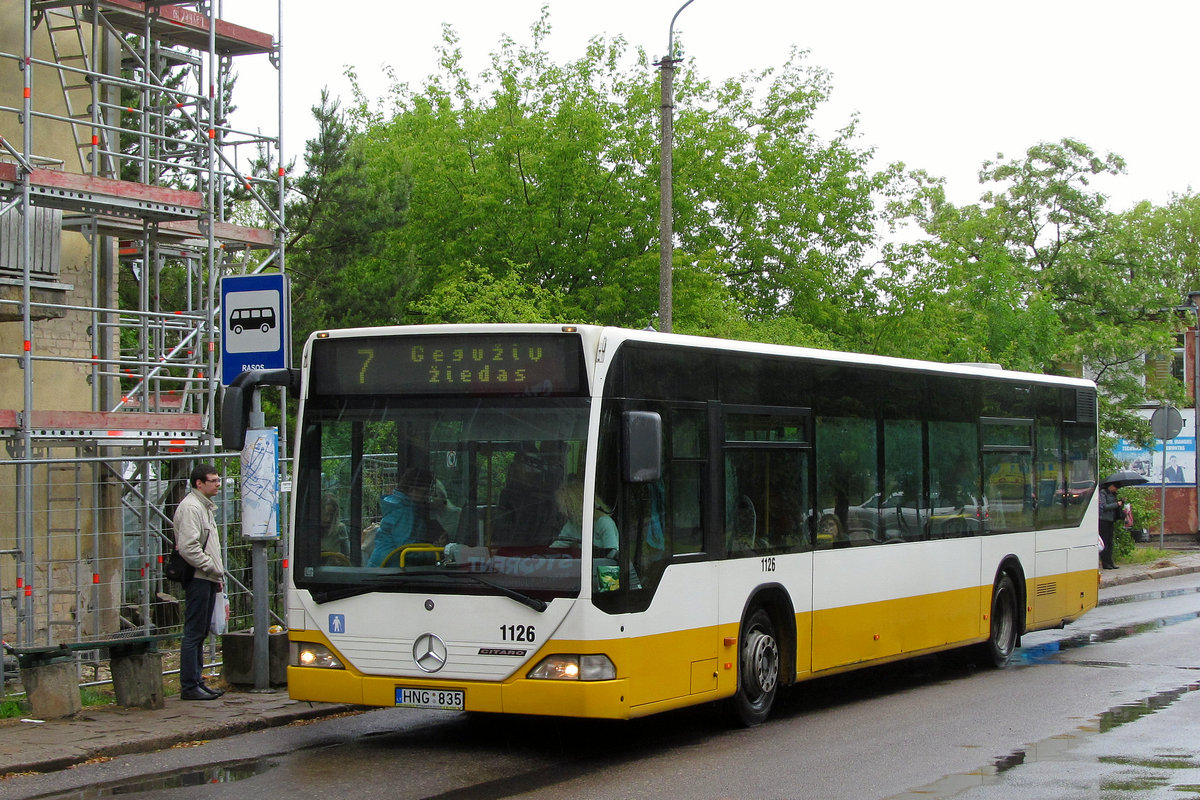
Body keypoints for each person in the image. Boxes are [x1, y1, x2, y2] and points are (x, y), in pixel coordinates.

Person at [172, 463, 226, 701]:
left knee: (201, 631)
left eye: (218, 479)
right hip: (197, 576)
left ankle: (197, 681)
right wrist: (211, 567)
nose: (218, 484)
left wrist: (216, 575)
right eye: (213, 480)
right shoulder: (191, 508)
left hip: (207, 577)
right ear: (199, 483)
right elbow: (188, 546)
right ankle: (189, 685)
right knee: (194, 632)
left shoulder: (204, 507)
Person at [368, 467, 432, 567]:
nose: (426, 497)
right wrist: (437, 552)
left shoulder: (396, 505)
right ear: (412, 490)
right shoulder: (405, 512)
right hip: (391, 569)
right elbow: (408, 550)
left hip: (381, 564)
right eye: (424, 493)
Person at [551, 477, 619, 554]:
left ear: (574, 506)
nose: (560, 511)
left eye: (563, 507)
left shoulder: (604, 523)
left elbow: (612, 554)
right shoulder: (572, 524)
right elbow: (556, 548)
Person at [1098, 481, 1123, 570]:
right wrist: (1117, 504)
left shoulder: (1113, 494)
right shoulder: (1102, 493)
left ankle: (1110, 562)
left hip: (1111, 519)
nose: (1116, 489)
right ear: (1111, 486)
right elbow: (1104, 506)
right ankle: (1105, 562)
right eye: (1115, 487)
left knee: (1110, 542)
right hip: (1104, 520)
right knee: (1105, 542)